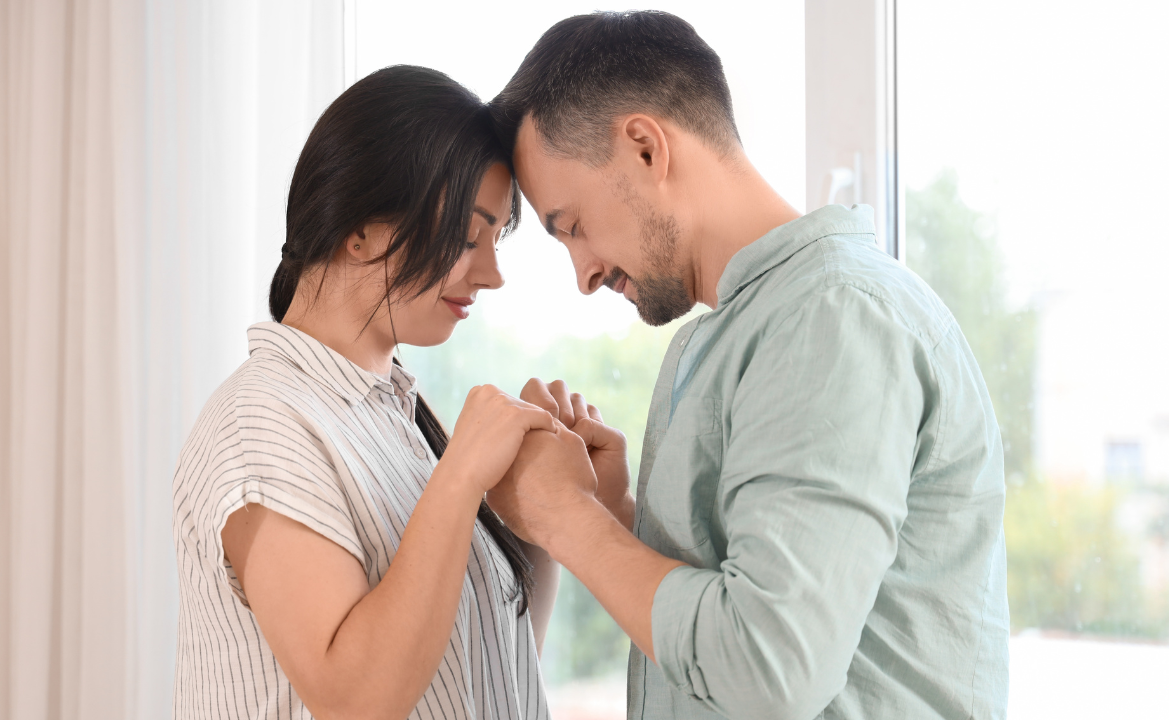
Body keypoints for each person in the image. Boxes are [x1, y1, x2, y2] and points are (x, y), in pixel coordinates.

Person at [485, 11, 1010, 720]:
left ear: (645, 148)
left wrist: (564, 516)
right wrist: (619, 516)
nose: (583, 273)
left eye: (571, 226)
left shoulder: (832, 317)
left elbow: (769, 670)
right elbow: (741, 604)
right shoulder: (729, 336)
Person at [172, 65, 563, 719]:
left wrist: (537, 515)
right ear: (360, 231)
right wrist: (463, 476)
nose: (492, 274)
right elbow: (356, 697)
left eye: (496, 241)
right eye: (469, 236)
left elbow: (491, 671)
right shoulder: (261, 423)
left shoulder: (405, 419)